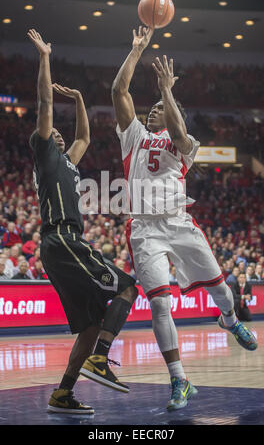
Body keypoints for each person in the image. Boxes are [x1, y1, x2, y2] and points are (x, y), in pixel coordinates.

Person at [111, 25, 258, 411]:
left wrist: (166, 91)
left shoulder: (187, 144)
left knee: (220, 289)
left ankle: (228, 319)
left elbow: (177, 127)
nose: (154, 110)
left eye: (161, 107)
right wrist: (136, 50)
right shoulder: (135, 136)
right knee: (161, 305)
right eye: (155, 107)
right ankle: (179, 380)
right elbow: (118, 93)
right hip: (144, 229)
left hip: (179, 223)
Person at [28, 29, 138, 414]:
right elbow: (44, 102)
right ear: (43, 140)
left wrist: (78, 99)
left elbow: (85, 137)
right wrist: (45, 56)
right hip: (63, 239)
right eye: (50, 131)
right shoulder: (45, 155)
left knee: (91, 325)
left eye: (59, 132)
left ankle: (62, 393)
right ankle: (100, 359)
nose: (57, 132)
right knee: (127, 288)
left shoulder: (68, 161)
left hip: (61, 245)